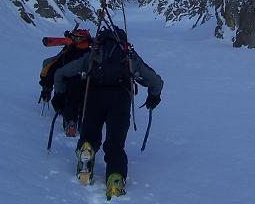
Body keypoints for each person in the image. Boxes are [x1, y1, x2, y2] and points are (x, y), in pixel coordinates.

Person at [52, 24, 163, 200]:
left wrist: (59, 94)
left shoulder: (93, 55)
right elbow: (155, 81)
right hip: (120, 99)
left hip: (95, 97)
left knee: (89, 134)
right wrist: (153, 97)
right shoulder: (129, 56)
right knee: (115, 144)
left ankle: (86, 150)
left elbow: (61, 73)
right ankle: (115, 178)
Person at [40, 28, 91, 137]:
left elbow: (53, 69)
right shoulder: (91, 53)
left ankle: (70, 122)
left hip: (69, 86)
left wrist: (47, 88)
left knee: (71, 97)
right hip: (87, 84)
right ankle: (79, 122)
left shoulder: (68, 52)